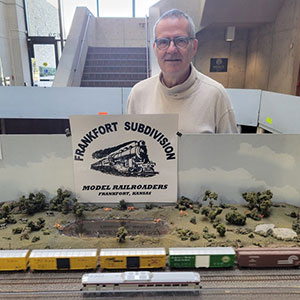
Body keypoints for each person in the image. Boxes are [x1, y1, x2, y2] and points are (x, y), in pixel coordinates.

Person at [127, 9, 238, 134]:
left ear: (194, 47)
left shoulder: (216, 95)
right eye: (163, 42)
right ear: (155, 49)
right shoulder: (139, 94)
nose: (172, 49)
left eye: (180, 41)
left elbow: (230, 152)